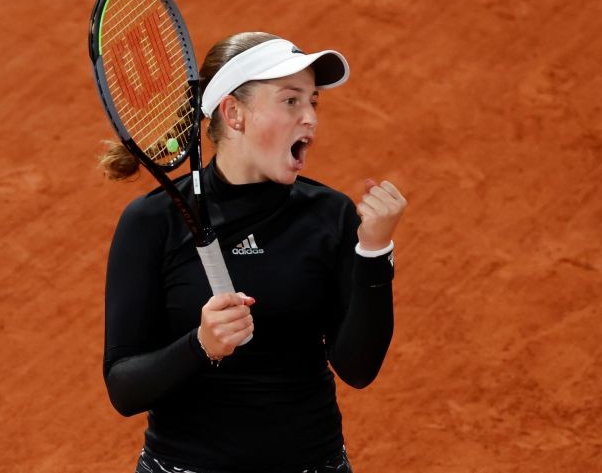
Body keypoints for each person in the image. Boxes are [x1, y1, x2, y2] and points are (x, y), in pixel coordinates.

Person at [100, 31, 407, 473]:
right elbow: (123, 389)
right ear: (234, 113)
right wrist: (201, 345)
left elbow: (358, 368)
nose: (310, 119)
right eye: (290, 101)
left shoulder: (330, 215)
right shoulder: (153, 223)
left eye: (313, 102)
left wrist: (375, 253)